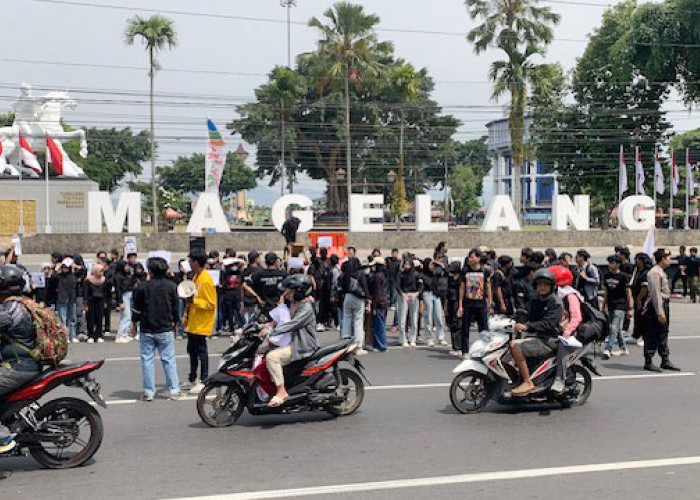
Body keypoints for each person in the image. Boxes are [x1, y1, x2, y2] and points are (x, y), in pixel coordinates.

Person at [0, 266, 40, 453]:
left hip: (19, 367)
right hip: (22, 363)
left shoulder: (11, 309)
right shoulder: (23, 302)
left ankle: (3, 438)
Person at [131, 257, 184, 401]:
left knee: (147, 360)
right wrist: (176, 322)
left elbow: (137, 309)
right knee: (169, 359)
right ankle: (174, 390)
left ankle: (149, 392)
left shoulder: (142, 287)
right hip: (165, 328)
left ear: (150, 271)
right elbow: (175, 308)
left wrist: (133, 324)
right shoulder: (172, 286)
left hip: (147, 328)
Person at [263, 274, 318, 407]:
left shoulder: (306, 308)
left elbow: (292, 324)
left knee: (272, 358)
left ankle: (281, 391)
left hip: (302, 345)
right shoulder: (294, 303)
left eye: (291, 291)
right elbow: (280, 316)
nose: (287, 294)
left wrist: (272, 331)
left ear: (298, 292)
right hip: (292, 341)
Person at [509, 268, 563, 396]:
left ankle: (528, 382)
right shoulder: (535, 299)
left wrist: (527, 326)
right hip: (534, 336)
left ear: (551, 286)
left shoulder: (555, 302)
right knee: (505, 348)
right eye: (540, 284)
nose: (542, 287)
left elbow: (548, 323)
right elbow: (525, 314)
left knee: (515, 346)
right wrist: (512, 319)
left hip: (548, 340)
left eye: (545, 284)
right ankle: (517, 380)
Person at [183, 249, 218, 395]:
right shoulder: (197, 277)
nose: (189, 263)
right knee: (191, 351)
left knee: (201, 352)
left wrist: (194, 301)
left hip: (201, 323)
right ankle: (192, 378)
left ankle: (204, 380)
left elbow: (211, 304)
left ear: (196, 262)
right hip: (193, 321)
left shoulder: (206, 279)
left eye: (191, 261)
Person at [642, 248, 680, 372]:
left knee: (663, 332)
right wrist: (660, 312)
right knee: (653, 333)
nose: (670, 260)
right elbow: (655, 294)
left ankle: (665, 360)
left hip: (663, 304)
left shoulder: (661, 272)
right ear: (662, 259)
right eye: (668, 258)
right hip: (655, 307)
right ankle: (648, 361)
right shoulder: (654, 273)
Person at [457, 248, 492, 355]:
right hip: (468, 303)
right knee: (465, 328)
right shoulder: (465, 271)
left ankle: (485, 350)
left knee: (484, 329)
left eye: (472, 257)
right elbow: (462, 288)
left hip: (481, 303)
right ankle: (465, 351)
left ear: (478, 258)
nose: (470, 259)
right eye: (469, 257)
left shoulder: (485, 271)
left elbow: (488, 286)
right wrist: (460, 305)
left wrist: (490, 302)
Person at [601, 255, 633, 359]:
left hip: (621, 306)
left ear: (618, 264)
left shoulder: (623, 277)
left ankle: (608, 349)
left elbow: (628, 293)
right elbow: (606, 292)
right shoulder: (607, 276)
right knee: (617, 328)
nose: (610, 264)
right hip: (611, 305)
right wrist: (604, 305)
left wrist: (630, 308)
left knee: (613, 328)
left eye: (612, 262)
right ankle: (623, 348)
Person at [341, 257, 370, 353]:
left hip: (347, 297)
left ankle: (345, 343)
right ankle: (358, 346)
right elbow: (365, 287)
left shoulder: (346, 274)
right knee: (358, 321)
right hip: (358, 298)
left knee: (346, 319)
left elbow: (342, 287)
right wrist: (367, 299)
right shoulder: (360, 273)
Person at [420, 258, 447, 347]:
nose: (432, 266)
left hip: (436, 295)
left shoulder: (435, 273)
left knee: (439, 317)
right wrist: (421, 301)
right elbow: (421, 288)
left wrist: (438, 262)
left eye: (433, 265)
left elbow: (445, 270)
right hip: (427, 294)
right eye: (430, 264)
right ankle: (429, 338)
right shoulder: (423, 275)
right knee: (428, 318)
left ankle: (441, 337)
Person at [397, 257, 422, 347]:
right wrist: (402, 294)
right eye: (405, 264)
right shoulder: (401, 274)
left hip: (414, 295)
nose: (407, 266)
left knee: (414, 319)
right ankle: (403, 339)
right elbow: (397, 285)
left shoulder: (416, 274)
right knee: (402, 320)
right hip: (404, 296)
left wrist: (416, 294)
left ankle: (413, 339)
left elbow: (421, 285)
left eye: (408, 264)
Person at [54, 257, 78, 343]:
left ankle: (73, 336)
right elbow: (52, 278)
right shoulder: (59, 276)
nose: (65, 269)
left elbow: (83, 272)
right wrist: (56, 269)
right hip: (62, 298)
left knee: (72, 319)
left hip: (72, 298)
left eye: (67, 267)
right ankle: (64, 337)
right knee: (62, 319)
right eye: (63, 267)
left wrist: (74, 267)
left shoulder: (72, 276)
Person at [368, 257, 389, 352]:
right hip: (384, 301)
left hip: (379, 302)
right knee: (381, 324)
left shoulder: (377, 276)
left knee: (379, 325)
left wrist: (375, 306)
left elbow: (377, 292)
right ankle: (379, 344)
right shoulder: (384, 275)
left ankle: (382, 345)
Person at [83, 264, 107, 343]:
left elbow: (106, 292)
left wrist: (106, 302)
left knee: (99, 318)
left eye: (102, 271)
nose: (101, 272)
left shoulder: (104, 280)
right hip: (91, 301)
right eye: (100, 271)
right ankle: (90, 335)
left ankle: (99, 335)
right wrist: (85, 304)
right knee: (90, 318)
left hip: (100, 301)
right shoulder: (88, 280)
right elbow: (86, 293)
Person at [114, 260, 135, 344]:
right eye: (126, 266)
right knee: (126, 316)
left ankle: (125, 333)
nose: (127, 267)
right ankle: (120, 335)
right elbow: (118, 290)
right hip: (124, 296)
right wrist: (120, 302)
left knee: (127, 316)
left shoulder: (127, 275)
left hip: (129, 295)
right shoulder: (118, 276)